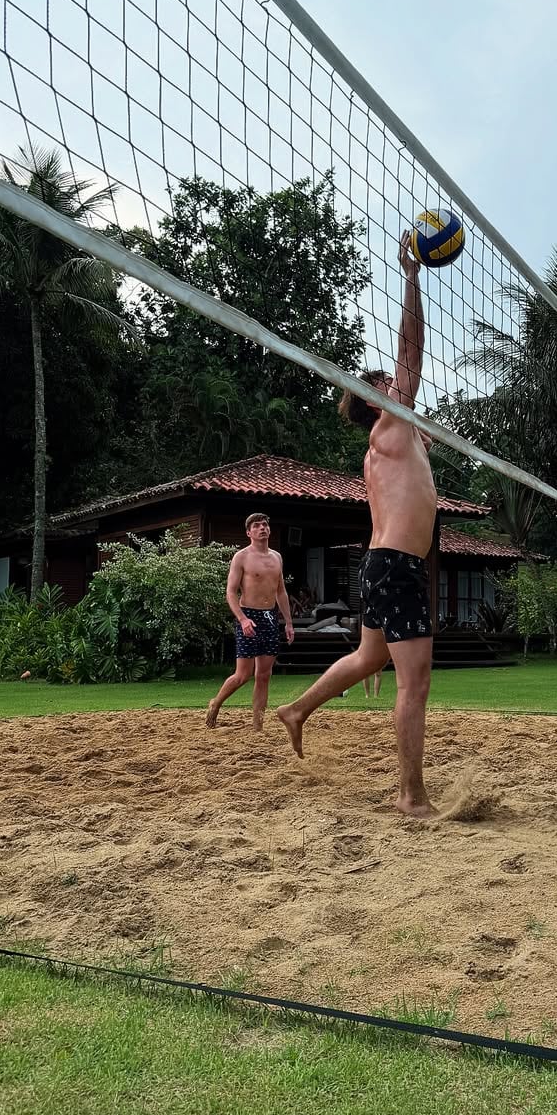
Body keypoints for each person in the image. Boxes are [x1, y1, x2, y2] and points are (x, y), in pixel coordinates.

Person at [278, 232, 438, 817]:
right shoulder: (390, 426)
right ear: (376, 401)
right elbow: (411, 350)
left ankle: (297, 710)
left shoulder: (392, 441)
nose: (392, 381)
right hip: (395, 566)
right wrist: (414, 277)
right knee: (412, 682)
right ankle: (410, 796)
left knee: (370, 658)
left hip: (382, 565)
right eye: (383, 383)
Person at [206, 513, 294, 731]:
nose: (262, 528)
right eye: (257, 526)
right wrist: (242, 619)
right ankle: (216, 703)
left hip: (269, 617)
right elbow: (230, 592)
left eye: (265, 524)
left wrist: (289, 623)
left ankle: (258, 726)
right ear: (249, 532)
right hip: (249, 616)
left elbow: (281, 592)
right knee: (242, 675)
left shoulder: (277, 557)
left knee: (264, 675)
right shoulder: (242, 557)